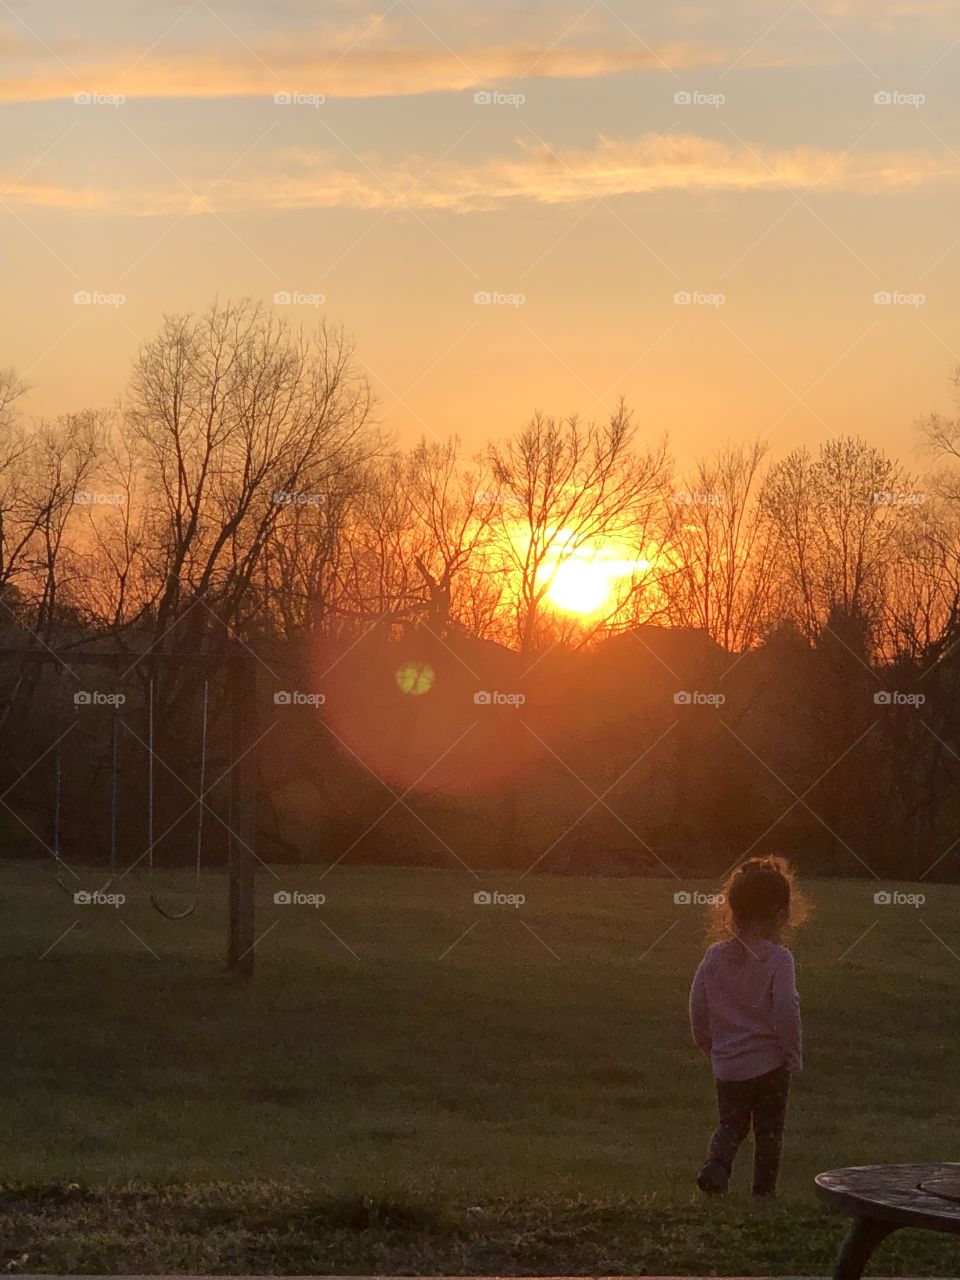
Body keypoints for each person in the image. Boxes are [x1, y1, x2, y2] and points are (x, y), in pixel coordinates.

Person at [688, 856, 808, 1197]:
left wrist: (704, 1038)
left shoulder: (714, 956)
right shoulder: (779, 959)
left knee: (731, 1124)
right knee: (769, 1131)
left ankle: (717, 1167)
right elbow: (787, 1009)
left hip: (727, 1063)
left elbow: (697, 1000)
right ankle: (764, 1192)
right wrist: (792, 1052)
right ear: (781, 913)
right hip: (770, 1064)